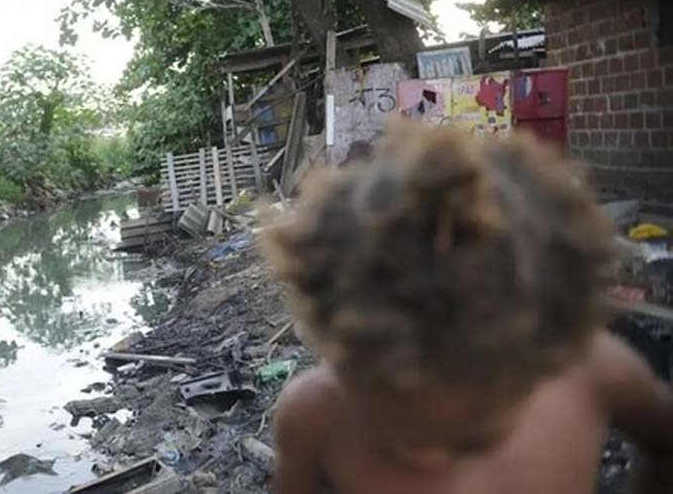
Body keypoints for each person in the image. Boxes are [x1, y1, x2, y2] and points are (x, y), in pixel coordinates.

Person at [262, 119, 673, 494]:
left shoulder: (592, 372)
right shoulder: (314, 416)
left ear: (542, 359)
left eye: (470, 438)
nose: (425, 458)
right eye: (393, 421)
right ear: (334, 348)